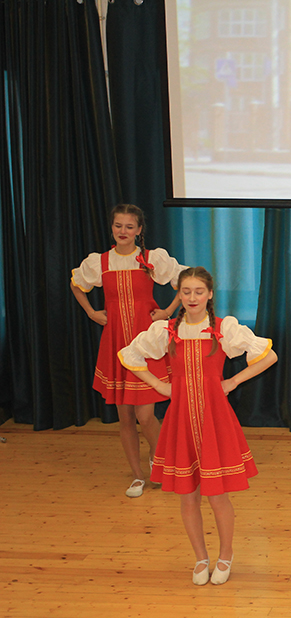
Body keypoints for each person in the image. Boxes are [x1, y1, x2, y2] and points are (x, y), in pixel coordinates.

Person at [119, 267, 277, 586]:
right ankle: (200, 557)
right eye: (186, 291)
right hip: (180, 418)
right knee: (187, 496)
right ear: (179, 294)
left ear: (210, 294)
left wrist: (232, 381)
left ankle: (225, 554)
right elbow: (130, 355)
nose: (192, 297)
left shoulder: (222, 328)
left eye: (198, 291)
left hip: (213, 417)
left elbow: (268, 356)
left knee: (217, 495)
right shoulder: (166, 330)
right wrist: (160, 385)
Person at [71, 204, 186, 497]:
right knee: (125, 418)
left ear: (139, 230)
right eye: (118, 225)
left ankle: (159, 460)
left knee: (145, 416)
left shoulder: (150, 259)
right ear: (112, 228)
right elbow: (76, 284)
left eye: (129, 226)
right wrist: (91, 312)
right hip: (116, 345)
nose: (123, 231)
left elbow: (184, 280)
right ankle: (137, 476)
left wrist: (168, 312)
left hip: (145, 345)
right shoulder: (100, 262)